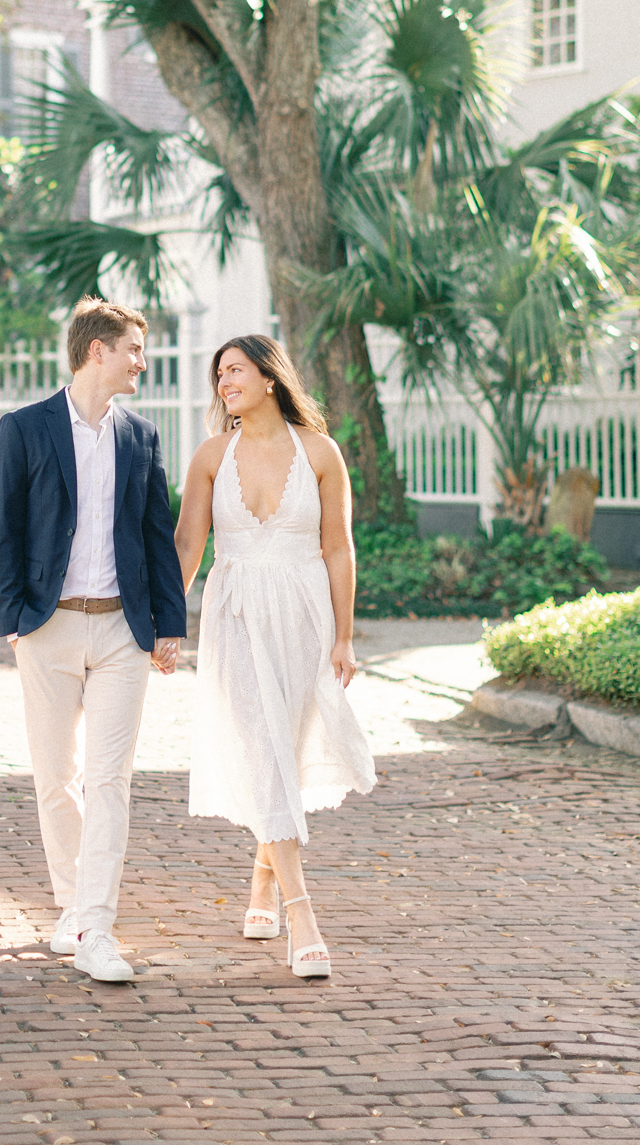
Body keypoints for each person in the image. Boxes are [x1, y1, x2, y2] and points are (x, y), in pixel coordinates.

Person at [0, 296, 187, 983]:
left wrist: (169, 624)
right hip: (49, 626)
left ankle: (96, 928)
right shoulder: (24, 429)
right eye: (133, 347)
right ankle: (70, 907)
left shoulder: (140, 438)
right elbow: (3, 532)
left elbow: (157, 536)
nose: (142, 360)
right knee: (55, 781)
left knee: (109, 781)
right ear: (96, 350)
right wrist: (13, 619)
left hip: (121, 633)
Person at [175, 334, 376, 977]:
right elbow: (188, 546)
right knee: (263, 749)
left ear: (268, 377)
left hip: (304, 616)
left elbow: (338, 548)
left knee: (284, 752)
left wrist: (344, 636)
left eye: (234, 369)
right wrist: (164, 624)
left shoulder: (320, 451)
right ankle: (301, 911)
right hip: (235, 617)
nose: (224, 382)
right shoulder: (210, 455)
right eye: (219, 374)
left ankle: (261, 880)